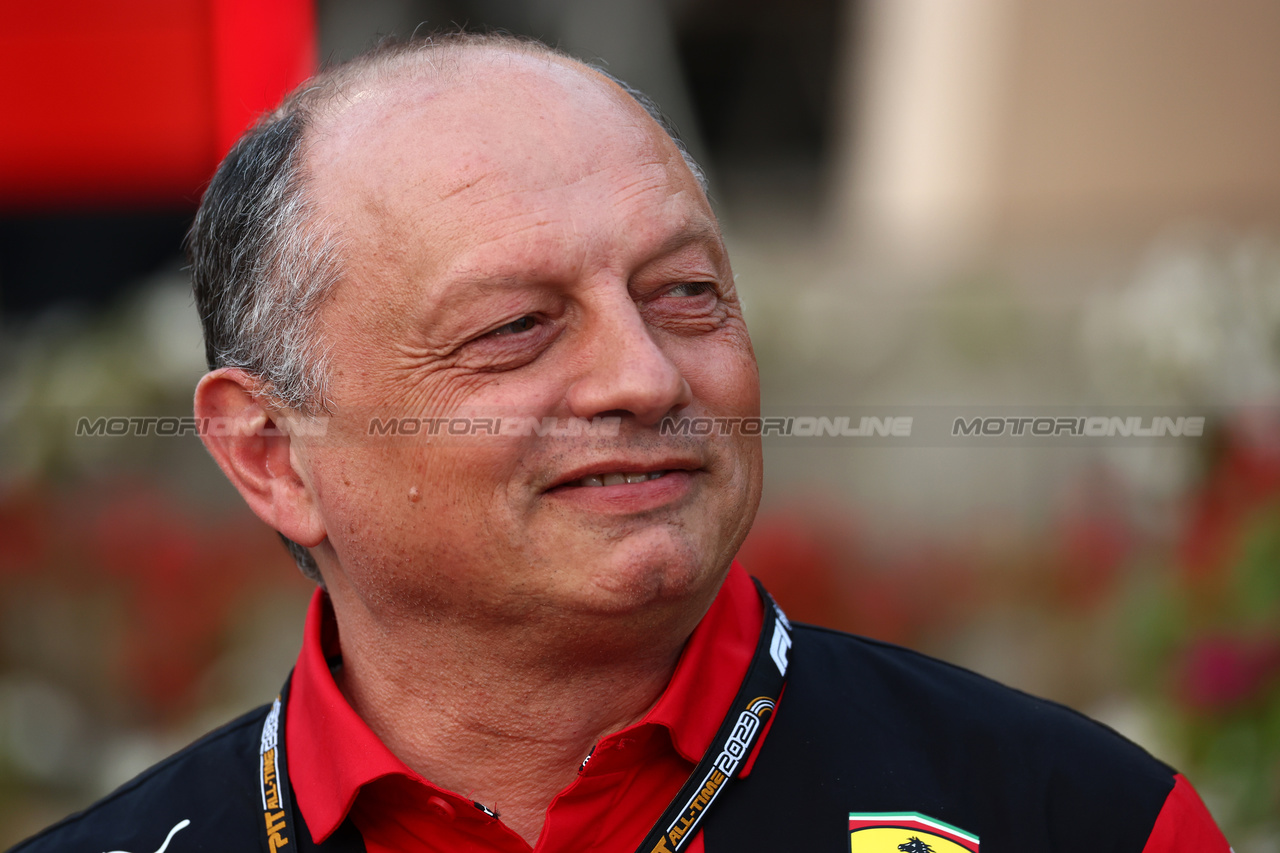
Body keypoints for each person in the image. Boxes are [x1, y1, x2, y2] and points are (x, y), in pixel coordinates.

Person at [13, 33, 1229, 853]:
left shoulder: (1072, 818)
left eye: (686, 294)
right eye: (515, 328)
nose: (643, 377)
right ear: (272, 454)